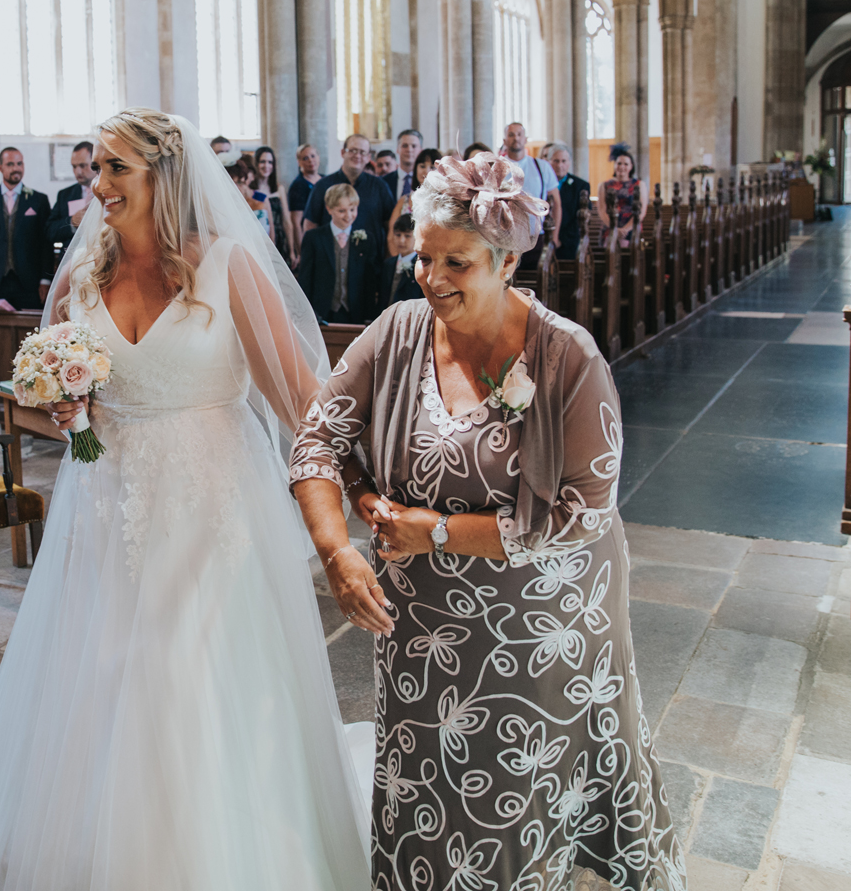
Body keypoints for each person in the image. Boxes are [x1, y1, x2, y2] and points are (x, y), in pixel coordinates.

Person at [0, 110, 372, 890]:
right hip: (104, 502)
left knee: (186, 674)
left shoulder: (230, 268)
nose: (95, 183)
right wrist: (65, 411)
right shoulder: (80, 279)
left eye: (113, 169)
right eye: (94, 168)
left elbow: (303, 400)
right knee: (103, 672)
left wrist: (364, 492)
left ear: (162, 176)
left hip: (213, 512)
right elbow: (40, 398)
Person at [290, 151, 684, 891]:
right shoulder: (399, 331)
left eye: (456, 264)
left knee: (515, 786)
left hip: (541, 619)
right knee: (424, 778)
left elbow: (583, 514)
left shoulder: (570, 359)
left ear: (506, 263)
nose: (432, 277)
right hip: (422, 622)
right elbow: (317, 438)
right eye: (423, 254)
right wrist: (339, 548)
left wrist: (431, 530)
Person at [0, 147, 54, 310]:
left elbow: (45, 243)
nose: (16, 168)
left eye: (19, 163)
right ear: (0, 168)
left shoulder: (38, 200)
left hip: (29, 282)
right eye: (10, 164)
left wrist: (45, 280)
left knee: (29, 329)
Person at [296, 183, 380, 324]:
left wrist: (369, 315)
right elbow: (305, 279)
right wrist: (308, 314)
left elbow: (369, 282)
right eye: (341, 211)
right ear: (329, 209)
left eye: (352, 209)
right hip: (321, 313)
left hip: (355, 313)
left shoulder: (367, 240)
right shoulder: (314, 238)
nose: (348, 216)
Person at [302, 133, 397, 246]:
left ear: (368, 158)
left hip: (370, 258)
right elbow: (310, 224)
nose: (357, 156)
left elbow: (390, 224)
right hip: (331, 256)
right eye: (353, 150)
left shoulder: (379, 186)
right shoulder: (323, 185)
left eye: (362, 152)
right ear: (343, 153)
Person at [499, 121, 562, 268]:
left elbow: (556, 203)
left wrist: (555, 235)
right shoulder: (498, 167)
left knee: (539, 278)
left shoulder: (542, 166)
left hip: (537, 236)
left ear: (525, 139)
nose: (516, 138)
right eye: (511, 135)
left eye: (520, 134)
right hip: (505, 238)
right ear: (505, 141)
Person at [385, 146, 441, 256]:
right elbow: (391, 236)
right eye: (422, 166)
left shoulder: (446, 201)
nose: (427, 171)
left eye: (432, 167)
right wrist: (401, 263)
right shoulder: (405, 200)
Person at [543, 141, 590, 261]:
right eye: (556, 161)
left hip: (567, 243)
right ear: (548, 162)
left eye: (564, 161)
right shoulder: (541, 183)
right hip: (541, 240)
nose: (560, 165)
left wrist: (558, 239)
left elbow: (581, 218)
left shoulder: (580, 186)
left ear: (569, 163)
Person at [247, 145, 292, 264]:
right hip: (259, 240)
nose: (266, 166)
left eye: (270, 162)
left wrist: (292, 250)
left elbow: (287, 221)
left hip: (279, 239)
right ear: (256, 163)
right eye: (262, 161)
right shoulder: (250, 190)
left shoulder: (278, 188)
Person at [48, 140, 96, 250]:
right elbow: (50, 231)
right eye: (74, 167)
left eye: (83, 165)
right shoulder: (64, 195)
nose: (78, 172)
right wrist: (72, 222)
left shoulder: (109, 190)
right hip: (72, 259)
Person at [599, 143, 643, 248]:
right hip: (610, 227)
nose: (622, 167)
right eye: (619, 163)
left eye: (626, 164)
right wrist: (614, 229)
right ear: (614, 165)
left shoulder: (639, 185)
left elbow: (641, 211)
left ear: (631, 166)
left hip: (632, 227)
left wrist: (625, 230)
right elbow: (602, 210)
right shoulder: (604, 185)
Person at [378, 212, 423, 308]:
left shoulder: (421, 265)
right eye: (398, 235)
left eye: (407, 236)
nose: (402, 240)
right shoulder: (388, 264)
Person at [228, 155, 275, 244]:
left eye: (240, 183)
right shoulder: (229, 202)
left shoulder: (261, 200)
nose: (238, 187)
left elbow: (270, 228)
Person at [288, 143, 323, 243]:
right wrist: (301, 250)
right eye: (305, 158)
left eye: (313, 156)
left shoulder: (325, 181)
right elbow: (296, 223)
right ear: (299, 162)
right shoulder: (298, 186)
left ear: (318, 157)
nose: (310, 160)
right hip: (310, 237)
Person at [386, 128, 424, 198]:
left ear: (420, 150)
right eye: (405, 146)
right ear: (397, 149)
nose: (409, 150)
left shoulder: (426, 182)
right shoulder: (384, 182)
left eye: (414, 146)